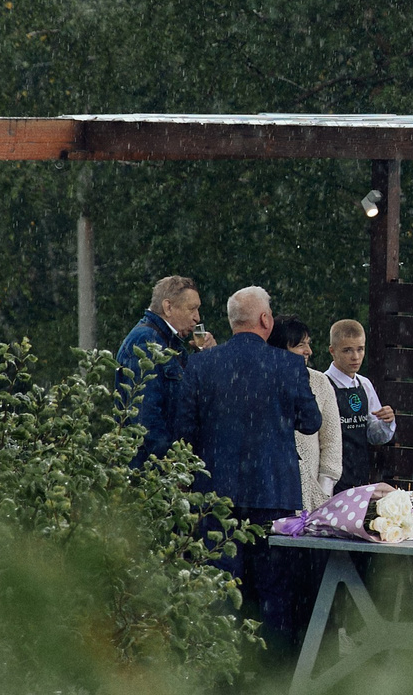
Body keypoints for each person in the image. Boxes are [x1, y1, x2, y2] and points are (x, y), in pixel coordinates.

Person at [159, 285, 320, 653]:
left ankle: (221, 673)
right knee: (275, 593)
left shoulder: (200, 365)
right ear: (266, 320)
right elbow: (311, 421)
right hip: (274, 495)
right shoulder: (288, 365)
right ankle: (273, 672)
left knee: (221, 591)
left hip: (216, 496)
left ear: (233, 323)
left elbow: (184, 432)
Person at [119, 275, 213, 461]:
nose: (197, 318)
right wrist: (170, 465)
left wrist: (206, 358)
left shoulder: (170, 342)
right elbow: (145, 417)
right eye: (192, 309)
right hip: (150, 472)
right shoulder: (146, 342)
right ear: (168, 307)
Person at [268, 316, 345, 511]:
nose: (308, 351)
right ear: (281, 348)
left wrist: (323, 491)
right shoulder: (262, 380)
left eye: (308, 344)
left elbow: (332, 440)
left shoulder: (319, 382)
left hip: (312, 495)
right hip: (270, 490)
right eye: (301, 345)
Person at [324, 318, 396, 493]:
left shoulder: (365, 385)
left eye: (360, 349)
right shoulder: (323, 384)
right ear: (332, 351)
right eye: (347, 350)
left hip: (360, 473)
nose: (355, 357)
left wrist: (386, 422)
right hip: (329, 477)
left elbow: (374, 436)